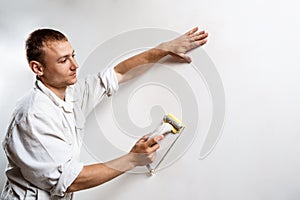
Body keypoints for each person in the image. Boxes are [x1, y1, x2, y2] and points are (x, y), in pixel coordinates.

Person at [0, 27, 208, 199]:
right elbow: (71, 181)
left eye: (73, 56)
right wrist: (132, 159)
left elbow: (117, 74)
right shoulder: (33, 115)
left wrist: (163, 50)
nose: (75, 65)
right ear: (38, 68)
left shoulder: (73, 93)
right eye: (63, 61)